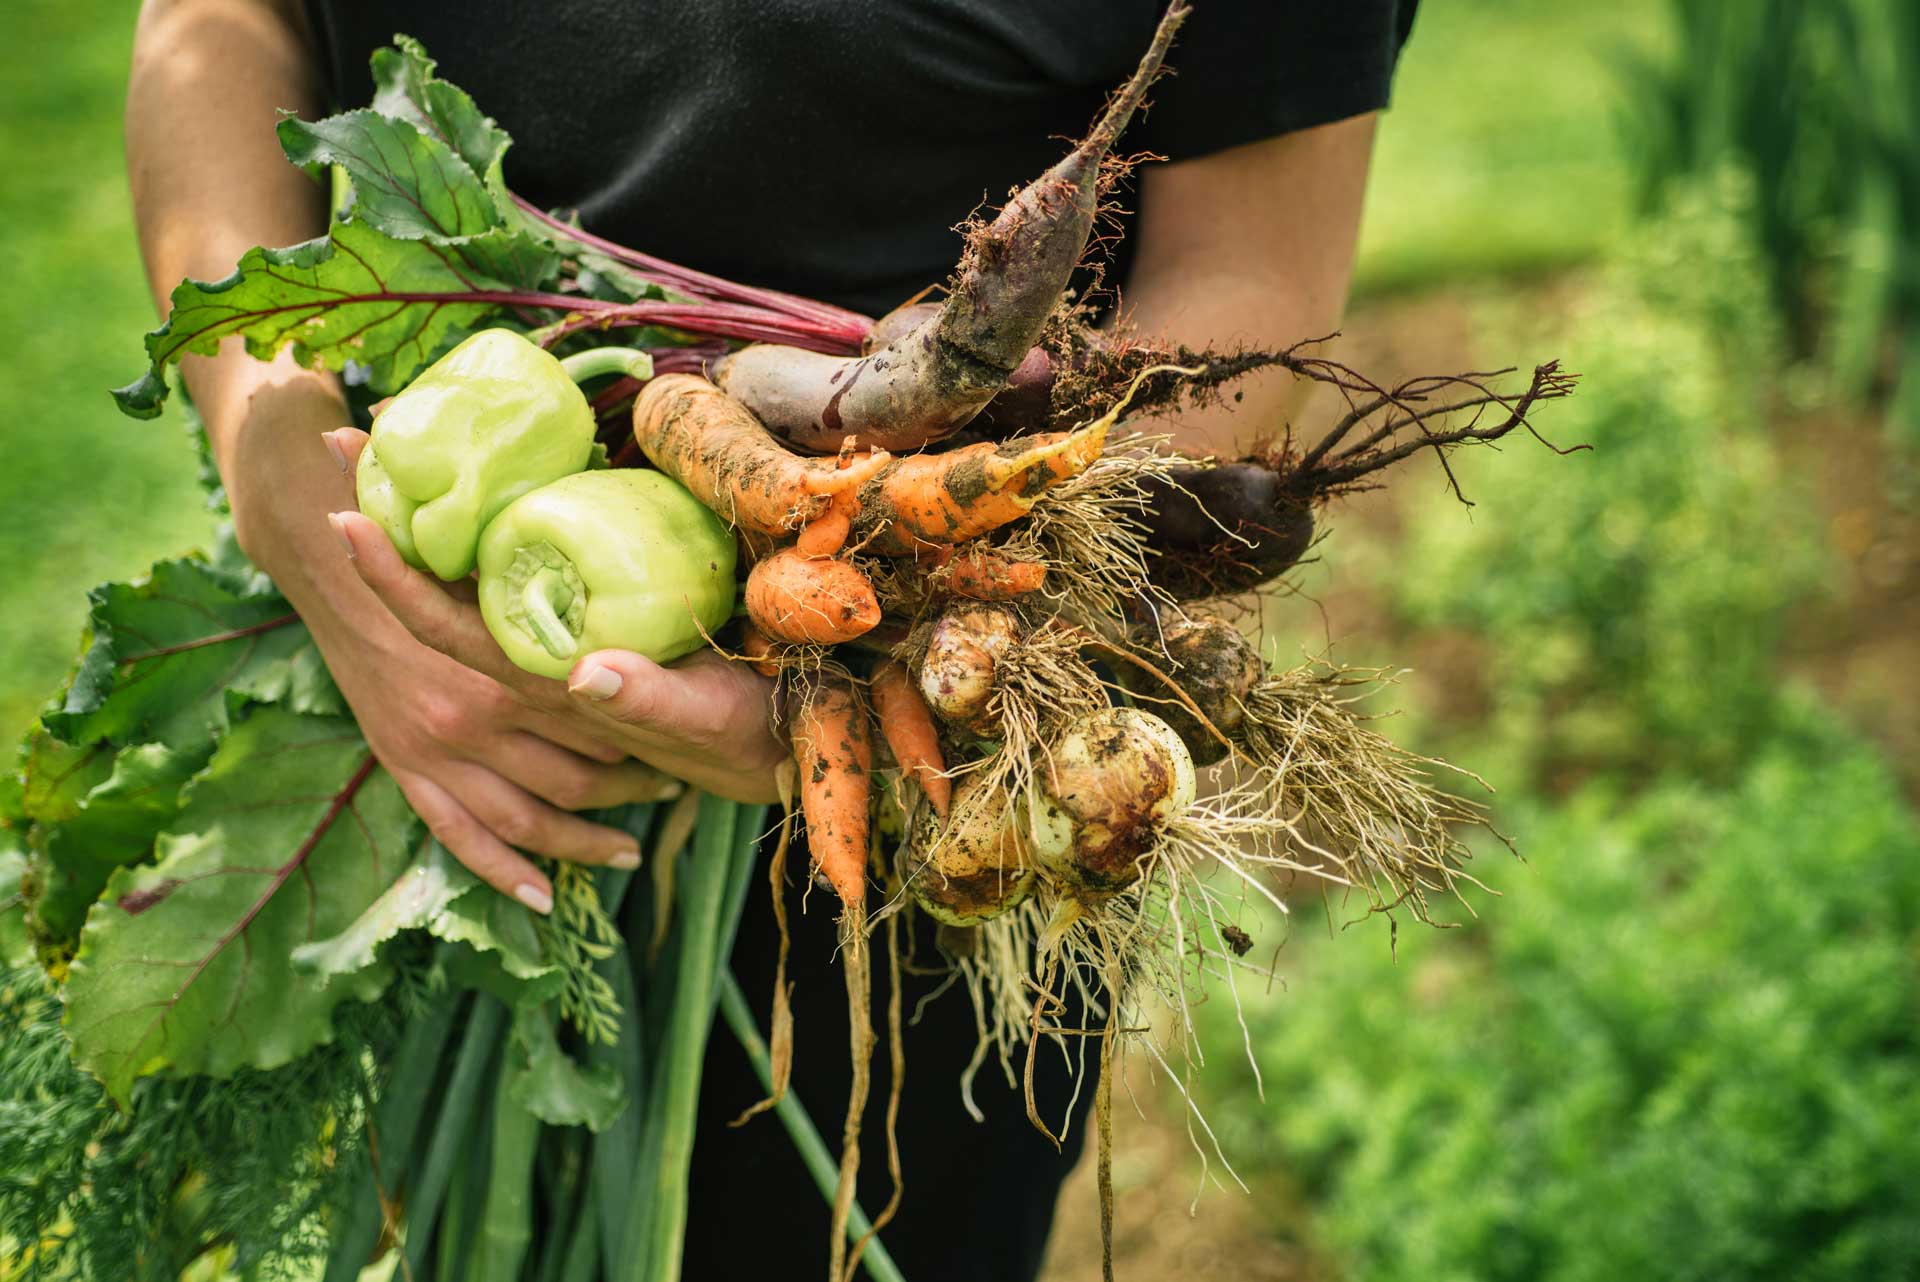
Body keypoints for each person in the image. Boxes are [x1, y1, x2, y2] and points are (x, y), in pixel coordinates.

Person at [126, 1, 1415, 1275]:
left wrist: (919, 630)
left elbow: (1248, 267)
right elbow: (215, 23)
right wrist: (275, 452)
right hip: (412, 676)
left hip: (946, 765)